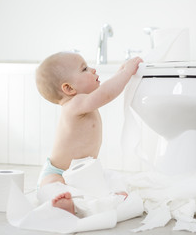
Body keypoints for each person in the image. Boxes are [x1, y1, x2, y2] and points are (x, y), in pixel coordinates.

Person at [35, 51, 143, 214]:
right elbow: (106, 93)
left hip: (85, 173)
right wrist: (126, 72)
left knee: (112, 177)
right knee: (49, 187)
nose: (92, 70)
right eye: (84, 69)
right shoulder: (74, 104)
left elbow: (106, 89)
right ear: (69, 88)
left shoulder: (83, 101)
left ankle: (98, 196)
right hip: (59, 172)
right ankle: (61, 200)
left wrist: (120, 73)